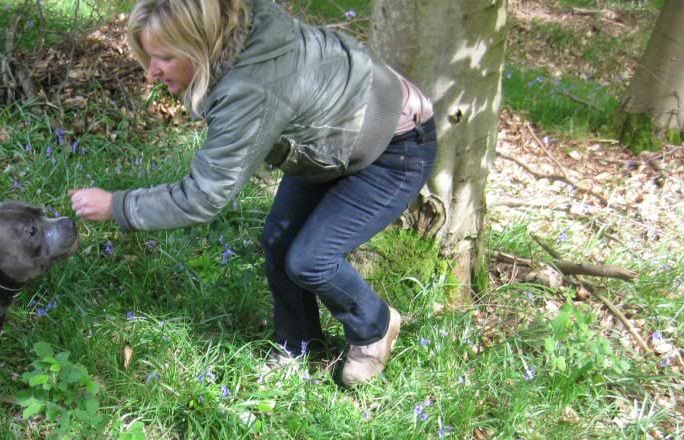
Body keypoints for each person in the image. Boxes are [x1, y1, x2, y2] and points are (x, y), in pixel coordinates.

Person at [69, 0, 436, 385]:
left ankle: (375, 325)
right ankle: (298, 348)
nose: (151, 73)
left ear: (199, 45)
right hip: (332, 136)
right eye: (147, 57)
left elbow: (203, 196)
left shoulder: (252, 90)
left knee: (310, 260)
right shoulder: (239, 19)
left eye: (162, 57)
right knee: (278, 241)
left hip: (395, 146)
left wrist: (118, 205)